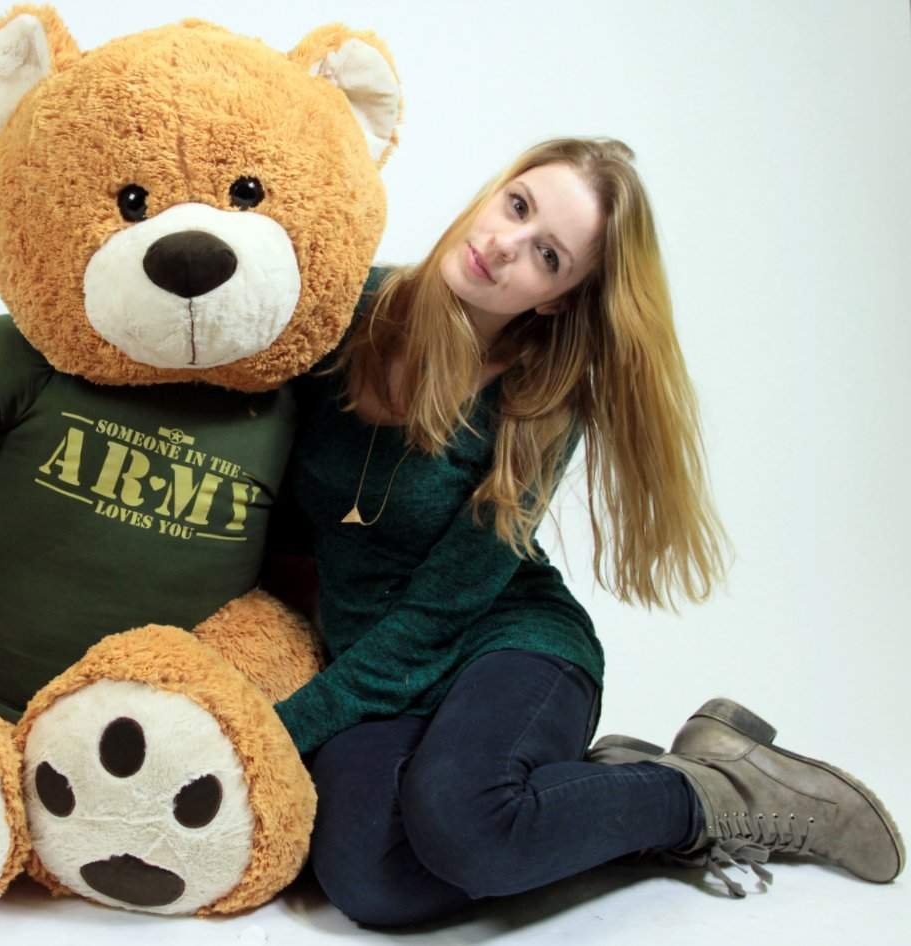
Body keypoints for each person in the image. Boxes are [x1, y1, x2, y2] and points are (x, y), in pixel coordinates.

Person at [266, 137, 904, 926]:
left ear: (558, 299)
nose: (505, 245)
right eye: (517, 205)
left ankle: (711, 791)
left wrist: (278, 732)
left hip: (504, 640)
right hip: (375, 660)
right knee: (371, 882)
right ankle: (587, 800)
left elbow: (439, 612)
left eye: (547, 256)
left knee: (466, 827)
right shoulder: (341, 308)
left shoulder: (538, 402)